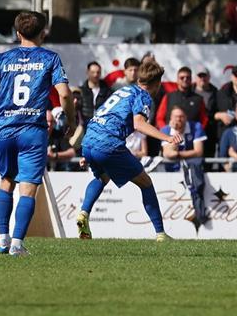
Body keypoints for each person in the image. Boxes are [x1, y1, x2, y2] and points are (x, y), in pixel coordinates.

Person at [0, 11, 75, 256]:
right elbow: (64, 94)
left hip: (5, 128)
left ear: (18, 33)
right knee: (28, 187)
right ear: (43, 33)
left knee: (6, 180)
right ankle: (17, 244)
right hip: (32, 129)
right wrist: (71, 121)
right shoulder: (50, 58)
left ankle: (2, 239)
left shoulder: (3, 58)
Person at [75, 57, 180, 242]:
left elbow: (102, 115)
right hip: (108, 143)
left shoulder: (123, 90)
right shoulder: (144, 96)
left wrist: (88, 151)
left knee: (102, 177)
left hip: (90, 139)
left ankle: (84, 213)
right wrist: (167, 137)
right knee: (146, 182)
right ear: (157, 84)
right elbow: (139, 124)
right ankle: (161, 234)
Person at [161, 107, 208, 229]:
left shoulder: (196, 127)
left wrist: (178, 155)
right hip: (172, 172)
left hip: (193, 170)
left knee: (196, 188)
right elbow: (168, 154)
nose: (179, 119)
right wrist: (175, 135)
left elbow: (199, 151)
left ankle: (200, 214)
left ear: (186, 118)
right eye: (176, 117)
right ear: (171, 118)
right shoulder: (166, 130)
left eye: (181, 116)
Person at [156, 66, 210, 130]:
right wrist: (166, 130)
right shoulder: (168, 97)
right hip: (170, 134)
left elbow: (204, 119)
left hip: (192, 135)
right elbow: (159, 118)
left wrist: (197, 132)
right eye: (182, 78)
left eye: (188, 77)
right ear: (177, 79)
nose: (185, 80)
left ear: (191, 79)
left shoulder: (198, 99)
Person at [47, 107, 78, 171]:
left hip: (55, 172)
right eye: (47, 121)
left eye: (51, 121)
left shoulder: (57, 134)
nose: (49, 124)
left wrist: (54, 155)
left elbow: (72, 152)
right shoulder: (35, 134)